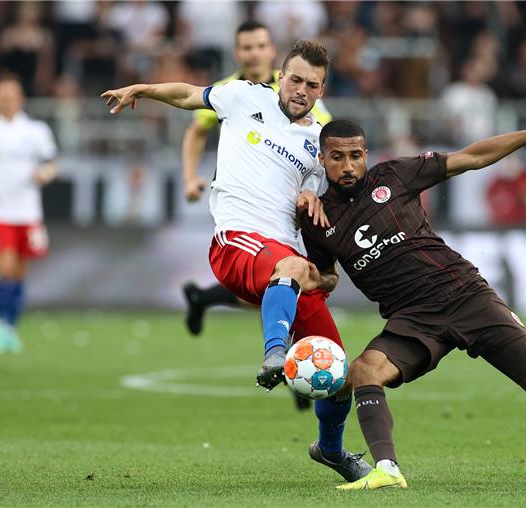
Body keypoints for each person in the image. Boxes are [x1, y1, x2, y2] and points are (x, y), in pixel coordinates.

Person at [300, 119, 526, 489]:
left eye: (355, 156)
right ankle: (387, 470)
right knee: (365, 370)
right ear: (322, 158)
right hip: (413, 318)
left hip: (465, 295)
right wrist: (308, 278)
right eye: (337, 157)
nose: (347, 166)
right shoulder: (318, 218)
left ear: (366, 155)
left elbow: (473, 157)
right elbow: (328, 276)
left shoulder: (394, 176)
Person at [101, 40, 370, 482]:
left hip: (288, 258)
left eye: (313, 84)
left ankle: (331, 449)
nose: (302, 89)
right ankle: (274, 355)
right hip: (237, 242)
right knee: (292, 271)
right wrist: (144, 89)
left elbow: (327, 210)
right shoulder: (244, 94)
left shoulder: (319, 145)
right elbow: (189, 96)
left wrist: (313, 204)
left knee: (337, 370)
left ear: (322, 91)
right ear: (280, 77)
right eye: (296, 79)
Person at [181, 21, 331, 339]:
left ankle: (206, 298)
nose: (254, 53)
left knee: (280, 288)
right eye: (247, 47)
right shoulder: (231, 91)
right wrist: (190, 177)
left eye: (261, 46)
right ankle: (291, 366)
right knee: (279, 284)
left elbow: (326, 152)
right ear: (237, 53)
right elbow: (196, 131)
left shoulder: (301, 90)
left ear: (272, 51)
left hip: (289, 210)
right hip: (244, 206)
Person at [0, 75, 59, 353]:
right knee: (4, 266)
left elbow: (53, 164)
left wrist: (44, 174)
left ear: (20, 99)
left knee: (19, 272)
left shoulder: (36, 130)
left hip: (28, 211)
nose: (6, 100)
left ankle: (10, 327)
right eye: (1, 95)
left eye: (11, 95)